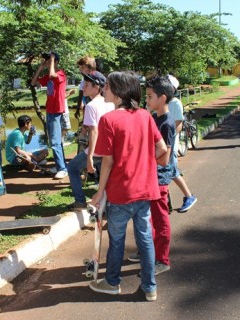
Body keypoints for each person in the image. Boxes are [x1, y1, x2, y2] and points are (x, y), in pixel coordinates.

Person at [89, 71, 168, 301]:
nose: (104, 89)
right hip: (145, 190)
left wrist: (99, 191)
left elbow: (107, 161)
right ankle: (150, 287)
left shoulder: (109, 120)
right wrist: (144, 163)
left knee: (117, 239)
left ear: (119, 91)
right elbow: (162, 148)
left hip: (121, 192)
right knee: (144, 238)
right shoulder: (145, 115)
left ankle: (112, 282)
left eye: (107, 86)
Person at [128, 76, 175, 275]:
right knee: (147, 218)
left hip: (159, 179)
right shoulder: (154, 117)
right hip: (149, 176)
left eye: (149, 96)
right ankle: (148, 251)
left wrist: (143, 157)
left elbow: (165, 157)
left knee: (160, 220)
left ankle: (161, 260)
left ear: (162, 98)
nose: (146, 100)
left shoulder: (167, 123)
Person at [67, 71, 114, 210]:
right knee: (104, 177)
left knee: (72, 168)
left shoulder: (91, 106)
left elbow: (94, 132)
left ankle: (80, 201)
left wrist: (89, 157)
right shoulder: (110, 103)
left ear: (96, 88)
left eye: (87, 85)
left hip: (97, 150)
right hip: (109, 149)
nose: (83, 87)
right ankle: (107, 204)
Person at [31, 51, 67, 179]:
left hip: (57, 111)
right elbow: (33, 83)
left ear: (56, 62)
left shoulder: (61, 74)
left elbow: (53, 74)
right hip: (50, 110)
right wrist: (40, 68)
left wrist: (52, 60)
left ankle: (62, 169)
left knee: (55, 141)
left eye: (49, 60)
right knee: (56, 140)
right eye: (46, 60)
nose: (46, 62)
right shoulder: (49, 76)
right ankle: (60, 166)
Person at [167, 74, 197, 212]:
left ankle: (189, 196)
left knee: (172, 172)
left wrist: (169, 142)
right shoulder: (161, 101)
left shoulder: (175, 103)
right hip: (161, 145)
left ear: (172, 89)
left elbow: (178, 125)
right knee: (163, 174)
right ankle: (166, 202)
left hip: (169, 145)